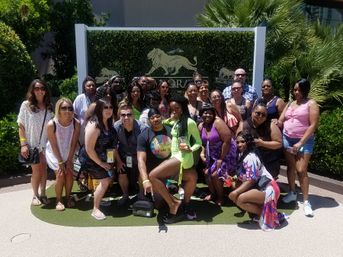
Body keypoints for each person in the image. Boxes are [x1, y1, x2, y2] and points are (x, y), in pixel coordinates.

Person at [149, 95, 202, 223]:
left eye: (177, 108)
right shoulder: (176, 121)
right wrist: (169, 119)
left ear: (183, 108)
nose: (174, 111)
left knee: (153, 176)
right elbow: (166, 122)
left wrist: (190, 148)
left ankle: (173, 204)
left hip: (182, 157)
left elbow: (198, 142)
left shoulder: (189, 122)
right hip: (175, 156)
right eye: (172, 109)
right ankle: (183, 205)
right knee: (191, 177)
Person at [277, 78, 319, 217]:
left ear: (305, 90)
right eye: (295, 89)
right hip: (287, 138)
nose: (297, 92)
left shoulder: (311, 104)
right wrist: (276, 122)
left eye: (299, 90)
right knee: (291, 167)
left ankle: (306, 201)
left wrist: (300, 142)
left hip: (304, 141)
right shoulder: (290, 103)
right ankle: (292, 193)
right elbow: (281, 120)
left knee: (301, 170)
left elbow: (313, 125)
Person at [229, 131, 284, 231]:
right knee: (235, 185)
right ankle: (261, 211)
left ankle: (269, 214)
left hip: (269, 189)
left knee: (239, 199)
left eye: (242, 142)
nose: (239, 144)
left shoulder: (250, 157)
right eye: (237, 142)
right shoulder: (243, 154)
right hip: (260, 186)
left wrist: (235, 192)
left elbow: (251, 180)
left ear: (249, 142)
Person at [79, 98, 117, 220]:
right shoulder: (94, 125)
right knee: (105, 181)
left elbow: (111, 145)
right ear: (99, 109)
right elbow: (89, 150)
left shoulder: (109, 123)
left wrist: (110, 162)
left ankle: (98, 199)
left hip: (103, 157)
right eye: (105, 107)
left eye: (110, 107)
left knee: (107, 179)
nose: (108, 110)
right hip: (91, 159)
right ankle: (95, 209)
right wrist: (102, 164)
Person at [17, 79, 53, 206]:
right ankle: (35, 195)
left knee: (44, 169)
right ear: (32, 90)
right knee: (36, 171)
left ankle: (43, 193)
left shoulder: (49, 107)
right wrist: (23, 144)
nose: (39, 91)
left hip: (46, 144)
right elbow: (21, 126)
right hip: (32, 144)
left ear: (45, 91)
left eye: (42, 88)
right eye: (36, 88)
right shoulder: (26, 105)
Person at [198, 103, 237, 205]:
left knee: (216, 174)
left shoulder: (218, 122)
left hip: (226, 153)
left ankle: (220, 197)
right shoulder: (201, 126)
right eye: (205, 113)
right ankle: (213, 194)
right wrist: (202, 154)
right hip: (212, 155)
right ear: (201, 114)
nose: (208, 115)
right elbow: (201, 143)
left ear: (214, 114)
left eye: (210, 113)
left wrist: (221, 159)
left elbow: (227, 141)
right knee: (206, 173)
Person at [46, 98, 80, 211]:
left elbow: (74, 143)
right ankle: (58, 200)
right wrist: (60, 161)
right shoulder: (52, 124)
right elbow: (53, 145)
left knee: (69, 173)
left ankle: (68, 197)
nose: (67, 111)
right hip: (54, 153)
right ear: (58, 109)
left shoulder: (76, 123)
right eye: (64, 108)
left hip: (68, 152)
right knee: (60, 175)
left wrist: (69, 160)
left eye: (70, 108)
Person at [113, 103, 147, 205]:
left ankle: (142, 194)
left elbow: (145, 150)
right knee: (121, 172)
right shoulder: (116, 127)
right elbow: (113, 146)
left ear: (133, 115)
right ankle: (125, 195)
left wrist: (142, 164)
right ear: (119, 116)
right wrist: (118, 162)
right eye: (123, 115)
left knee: (142, 172)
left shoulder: (143, 128)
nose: (126, 117)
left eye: (129, 114)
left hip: (139, 156)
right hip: (124, 156)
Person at [137, 108, 172, 205]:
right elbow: (141, 160)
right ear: (149, 121)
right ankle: (143, 192)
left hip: (166, 171)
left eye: (157, 116)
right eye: (152, 118)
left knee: (159, 203)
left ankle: (168, 187)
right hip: (150, 171)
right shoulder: (143, 136)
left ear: (162, 117)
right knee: (141, 175)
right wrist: (145, 180)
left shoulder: (171, 131)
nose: (155, 119)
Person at [241, 103, 283, 178]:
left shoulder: (270, 125)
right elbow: (238, 141)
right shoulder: (244, 125)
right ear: (252, 112)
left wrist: (262, 143)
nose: (260, 116)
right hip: (251, 160)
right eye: (258, 113)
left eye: (263, 115)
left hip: (268, 161)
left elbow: (279, 143)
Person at [73, 76, 96, 145]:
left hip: (96, 130)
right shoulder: (80, 98)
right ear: (84, 87)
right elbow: (74, 114)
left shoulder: (98, 98)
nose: (91, 87)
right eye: (89, 86)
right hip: (82, 131)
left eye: (93, 85)